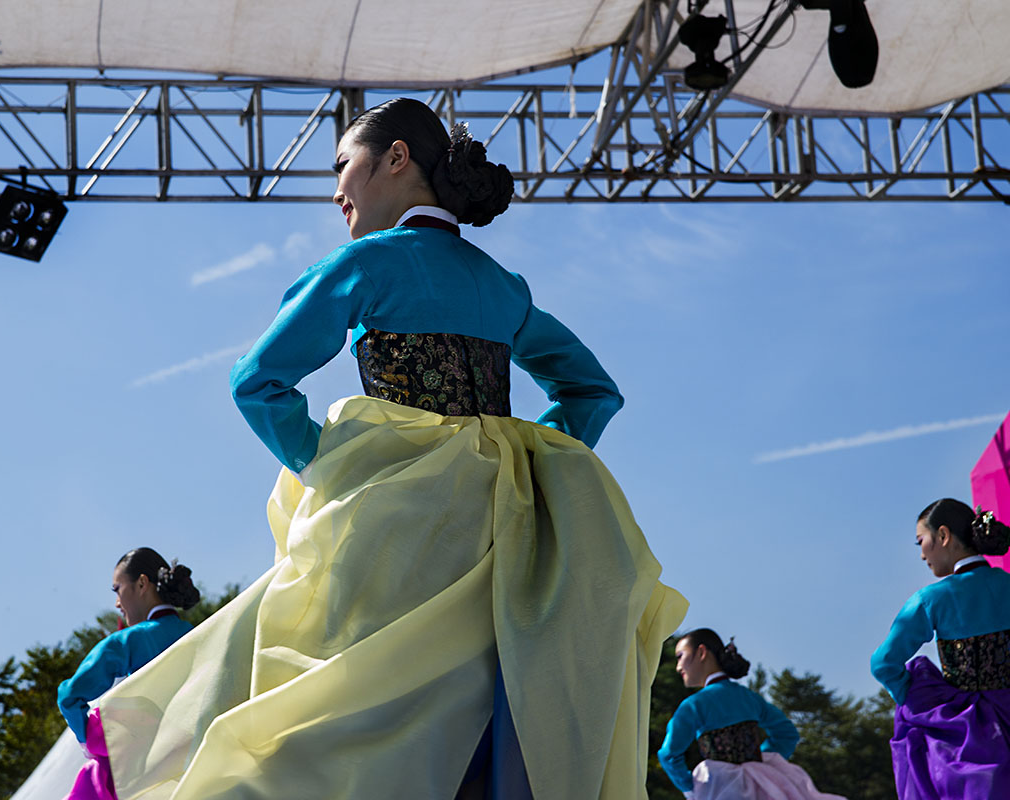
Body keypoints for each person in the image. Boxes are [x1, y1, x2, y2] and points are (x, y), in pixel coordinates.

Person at [95, 97, 686, 800]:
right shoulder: (502, 286)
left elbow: (258, 380)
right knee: (495, 729)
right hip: (510, 551)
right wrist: (530, 464)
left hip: (399, 536)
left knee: (331, 722)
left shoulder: (368, 265)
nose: (335, 191)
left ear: (397, 158)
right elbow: (592, 392)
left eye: (343, 165)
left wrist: (329, 461)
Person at [870, 498, 1010, 799]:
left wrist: (918, 698)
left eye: (921, 541)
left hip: (963, 734)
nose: (922, 554)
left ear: (943, 535)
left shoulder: (931, 599)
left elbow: (883, 664)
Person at [57, 548, 200, 800]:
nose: (116, 603)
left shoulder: (129, 641)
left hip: (143, 771)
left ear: (142, 584)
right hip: (195, 762)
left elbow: (69, 696)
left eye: (118, 589)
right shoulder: (198, 634)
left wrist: (92, 739)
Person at [658, 629, 845, 800]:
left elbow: (669, 755)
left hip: (718, 788)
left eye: (680, 656)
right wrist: (759, 763)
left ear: (701, 652)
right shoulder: (749, 698)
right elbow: (787, 734)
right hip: (764, 789)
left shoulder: (695, 704)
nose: (678, 667)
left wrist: (690, 787)